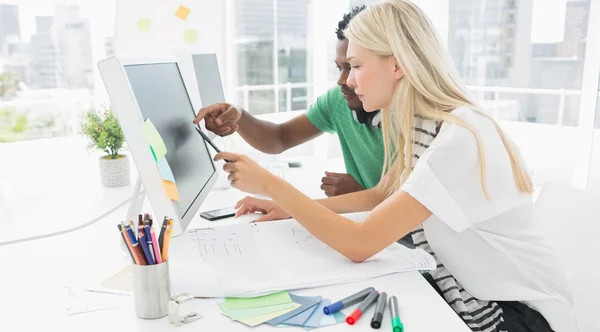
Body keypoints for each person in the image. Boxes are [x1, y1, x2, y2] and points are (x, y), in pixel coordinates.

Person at [211, 1, 576, 331]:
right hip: (476, 290)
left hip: (515, 314)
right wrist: (289, 208)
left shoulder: (460, 138)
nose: (348, 81)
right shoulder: (420, 125)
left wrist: (273, 186)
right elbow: (385, 193)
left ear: (397, 64)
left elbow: (360, 244)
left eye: (355, 66)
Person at [193, 6, 384, 198]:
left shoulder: (409, 118)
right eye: (340, 68)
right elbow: (280, 138)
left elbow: (409, 204)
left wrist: (363, 193)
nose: (342, 80)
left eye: (353, 67)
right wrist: (239, 115)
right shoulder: (338, 100)